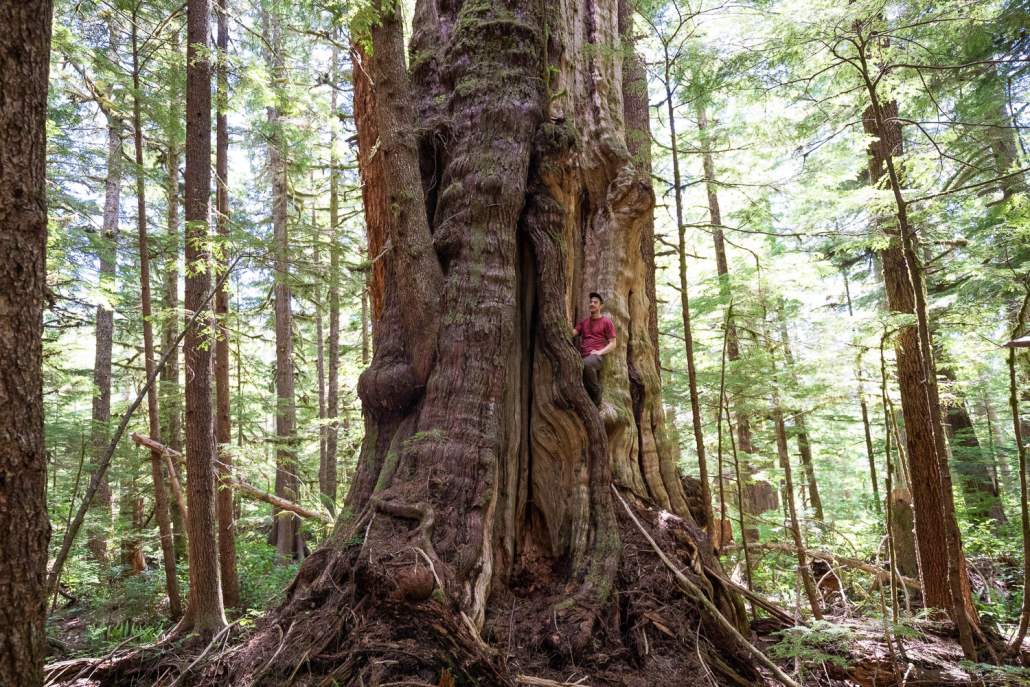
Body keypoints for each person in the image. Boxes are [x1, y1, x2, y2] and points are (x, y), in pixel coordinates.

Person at [571, 292, 616, 406]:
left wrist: (600, 352)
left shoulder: (606, 322)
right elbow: (572, 333)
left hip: (597, 357)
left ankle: (596, 390)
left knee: (586, 364)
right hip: (583, 357)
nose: (592, 304)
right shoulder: (584, 322)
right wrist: (567, 318)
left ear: (601, 306)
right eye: (591, 302)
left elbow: (613, 344)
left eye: (595, 302)